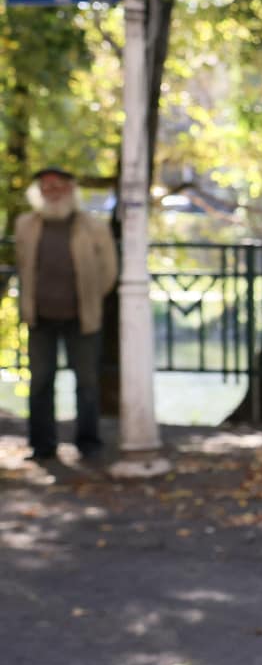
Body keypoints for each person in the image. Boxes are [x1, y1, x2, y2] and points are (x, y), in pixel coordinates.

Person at [12, 166, 117, 462]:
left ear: (70, 189)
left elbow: (109, 271)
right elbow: (23, 266)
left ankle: (88, 444)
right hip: (41, 317)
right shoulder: (26, 225)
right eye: (46, 186)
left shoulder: (92, 227)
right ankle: (42, 446)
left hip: (81, 317)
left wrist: (91, 297)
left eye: (58, 185)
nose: (52, 191)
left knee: (86, 383)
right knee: (40, 382)